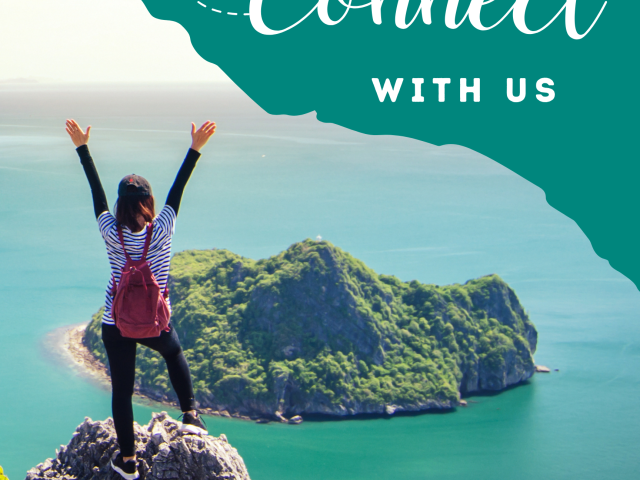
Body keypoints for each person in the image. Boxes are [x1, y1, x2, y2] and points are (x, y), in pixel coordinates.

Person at [65, 118, 217, 480]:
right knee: (174, 352)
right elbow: (177, 191)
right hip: (153, 323)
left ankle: (129, 461)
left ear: (120, 205)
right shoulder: (162, 229)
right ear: (149, 202)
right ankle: (191, 414)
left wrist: (82, 148)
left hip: (115, 324)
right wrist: (195, 148)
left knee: (122, 389)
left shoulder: (109, 231)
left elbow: (96, 195)